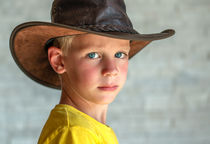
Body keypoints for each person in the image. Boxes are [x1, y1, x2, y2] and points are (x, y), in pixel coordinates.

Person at [9, 0, 175, 143]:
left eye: (120, 54)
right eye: (93, 55)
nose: (111, 70)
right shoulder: (74, 132)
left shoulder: (87, 128)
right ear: (59, 60)